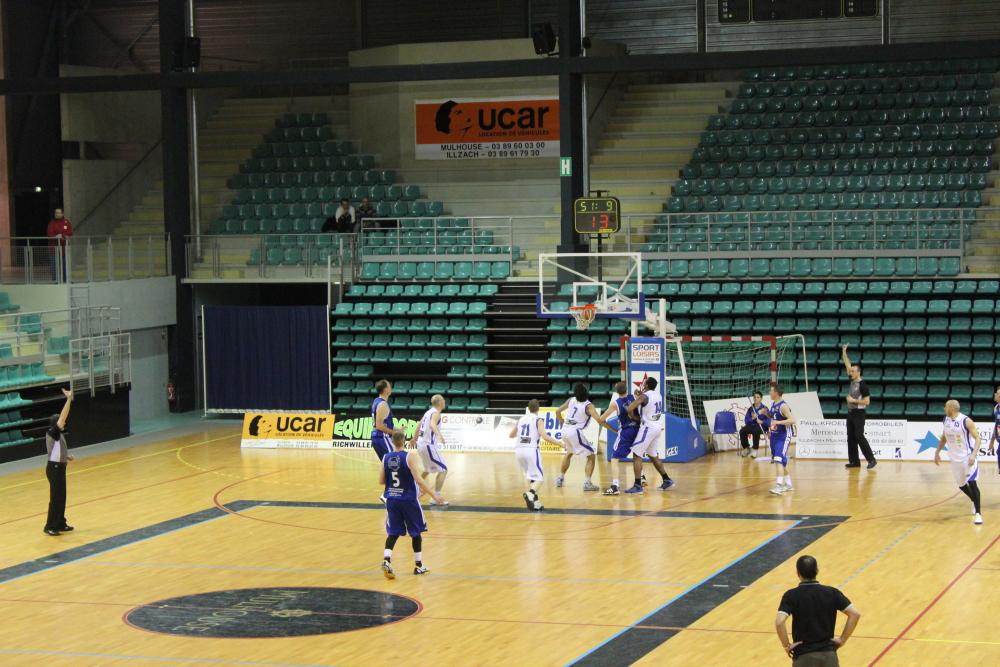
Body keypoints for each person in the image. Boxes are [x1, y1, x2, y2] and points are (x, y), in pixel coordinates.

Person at [379, 429, 444, 579]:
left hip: (392, 500)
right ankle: (418, 565)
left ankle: (386, 559)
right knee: (416, 532)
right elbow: (419, 480)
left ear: (392, 441)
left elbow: (381, 481)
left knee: (393, 532)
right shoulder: (410, 456)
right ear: (404, 440)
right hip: (408, 500)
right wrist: (433, 494)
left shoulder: (385, 457)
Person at [775, 555, 862, 666]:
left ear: (798, 573)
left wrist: (786, 645)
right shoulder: (832, 592)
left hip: (803, 656)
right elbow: (855, 614)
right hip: (829, 656)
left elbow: (779, 622)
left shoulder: (791, 595)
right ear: (817, 570)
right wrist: (842, 640)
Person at [934, 399, 983, 525]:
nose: (944, 409)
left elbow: (978, 438)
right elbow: (944, 437)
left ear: (952, 408)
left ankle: (978, 514)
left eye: (945, 407)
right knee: (961, 485)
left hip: (967, 457)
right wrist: (937, 452)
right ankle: (973, 499)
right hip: (954, 458)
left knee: (972, 483)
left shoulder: (966, 421)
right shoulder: (945, 420)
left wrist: (973, 454)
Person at [509, 399, 562, 511]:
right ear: (538, 409)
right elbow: (545, 436)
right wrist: (560, 444)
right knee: (539, 478)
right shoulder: (538, 419)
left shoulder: (521, 419)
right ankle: (530, 493)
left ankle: (536, 502)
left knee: (532, 476)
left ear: (528, 408)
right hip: (531, 450)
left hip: (519, 450)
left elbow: (511, 435)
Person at [624, 377, 674, 493]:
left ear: (646, 385)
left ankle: (637, 485)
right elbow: (647, 400)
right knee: (653, 455)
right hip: (657, 426)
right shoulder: (658, 395)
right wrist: (640, 395)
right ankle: (666, 479)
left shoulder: (644, 396)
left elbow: (630, 408)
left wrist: (635, 417)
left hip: (648, 428)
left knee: (637, 454)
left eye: (644, 384)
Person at [555, 383, 604, 491]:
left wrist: (561, 420)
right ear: (586, 392)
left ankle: (560, 478)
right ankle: (587, 483)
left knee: (569, 453)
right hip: (574, 432)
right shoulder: (589, 405)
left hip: (564, 430)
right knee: (591, 456)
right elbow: (599, 420)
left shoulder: (571, 400)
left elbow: (557, 411)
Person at [600, 381, 641, 495]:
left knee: (614, 458)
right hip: (638, 429)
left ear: (616, 392)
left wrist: (612, 430)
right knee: (637, 455)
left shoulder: (615, 404)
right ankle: (641, 478)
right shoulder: (634, 396)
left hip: (626, 431)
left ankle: (615, 486)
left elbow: (601, 419)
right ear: (626, 389)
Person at [43, 388, 75, 536]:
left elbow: (57, 451)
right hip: (54, 469)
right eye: (61, 421)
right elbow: (63, 416)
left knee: (61, 496)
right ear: (57, 423)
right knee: (55, 498)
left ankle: (60, 523)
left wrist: (66, 457)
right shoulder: (52, 432)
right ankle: (50, 526)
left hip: (59, 467)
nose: (64, 422)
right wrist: (69, 399)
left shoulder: (57, 435)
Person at [841, 345, 876, 469]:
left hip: (859, 414)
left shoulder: (863, 385)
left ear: (858, 372)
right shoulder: (852, 381)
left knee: (859, 436)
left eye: (852, 371)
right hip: (850, 413)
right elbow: (847, 364)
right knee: (850, 437)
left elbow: (867, 402)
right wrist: (844, 352)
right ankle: (854, 461)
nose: (850, 373)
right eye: (850, 371)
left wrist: (853, 400)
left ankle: (871, 459)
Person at [412, 394, 449, 506]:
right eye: (443, 400)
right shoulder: (436, 413)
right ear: (440, 403)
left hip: (420, 444)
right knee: (443, 470)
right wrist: (439, 435)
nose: (444, 401)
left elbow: (419, 424)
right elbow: (433, 424)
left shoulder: (428, 412)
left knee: (427, 470)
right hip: (428, 445)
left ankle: (412, 490)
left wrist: (414, 439)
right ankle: (436, 496)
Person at [768, 384, 796, 496]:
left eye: (771, 391)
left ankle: (779, 486)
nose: (769, 393)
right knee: (781, 461)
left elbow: (792, 420)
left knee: (778, 460)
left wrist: (778, 423)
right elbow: (774, 419)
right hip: (775, 435)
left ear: (776, 392)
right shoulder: (773, 404)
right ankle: (788, 484)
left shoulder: (783, 406)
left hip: (783, 436)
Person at [739, 391, 770, 459]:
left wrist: (761, 421)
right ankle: (746, 448)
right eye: (754, 397)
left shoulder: (765, 409)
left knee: (756, 430)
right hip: (752, 426)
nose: (756, 398)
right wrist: (752, 418)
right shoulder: (750, 409)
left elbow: (769, 421)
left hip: (761, 427)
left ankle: (755, 449)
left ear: (761, 398)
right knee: (742, 431)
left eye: (758, 397)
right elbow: (746, 421)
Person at [371, 379, 395, 462]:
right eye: (389, 386)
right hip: (382, 437)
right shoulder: (383, 404)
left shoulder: (376, 400)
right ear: (386, 390)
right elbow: (379, 425)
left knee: (387, 464)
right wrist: (394, 432)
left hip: (378, 437)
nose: (391, 388)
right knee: (394, 462)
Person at [46, 208, 73, 281]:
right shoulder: (51, 223)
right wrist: (56, 236)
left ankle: (65, 281)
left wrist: (62, 235)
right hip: (54, 250)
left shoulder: (66, 222)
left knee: (65, 267)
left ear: (62, 214)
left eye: (58, 213)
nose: (57, 214)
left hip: (64, 251)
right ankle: (55, 281)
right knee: (54, 267)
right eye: (56, 213)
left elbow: (70, 232)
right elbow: (50, 234)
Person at [987, 386, 999, 460]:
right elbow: (997, 425)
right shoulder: (996, 408)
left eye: (997, 393)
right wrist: (992, 441)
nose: (994, 394)